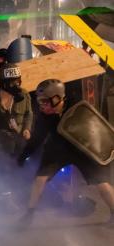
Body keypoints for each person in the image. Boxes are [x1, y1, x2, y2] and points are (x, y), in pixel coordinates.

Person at [18, 79, 114, 225]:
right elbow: (37, 138)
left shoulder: (78, 109)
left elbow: (95, 131)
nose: (42, 105)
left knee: (102, 183)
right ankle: (28, 216)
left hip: (83, 150)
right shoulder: (45, 117)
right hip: (58, 149)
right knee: (40, 180)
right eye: (40, 102)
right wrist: (25, 154)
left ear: (57, 98)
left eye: (45, 101)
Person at [0, 63, 33, 197]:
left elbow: (29, 114)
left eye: (18, 81)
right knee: (4, 158)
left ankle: (24, 190)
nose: (16, 85)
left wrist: (27, 129)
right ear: (4, 83)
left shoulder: (24, 95)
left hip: (18, 137)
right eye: (12, 82)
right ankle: (4, 193)